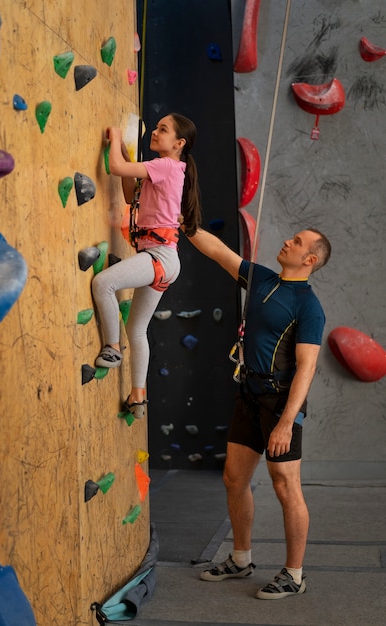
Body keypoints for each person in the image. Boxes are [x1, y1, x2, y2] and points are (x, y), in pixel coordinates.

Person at [186, 226, 331, 599]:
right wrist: (184, 221)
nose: (288, 241)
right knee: (234, 478)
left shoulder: (308, 306)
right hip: (248, 393)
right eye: (292, 237)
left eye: (297, 243)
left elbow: (307, 367)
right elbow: (217, 250)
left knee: (285, 485)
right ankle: (240, 559)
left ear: (310, 260)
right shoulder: (262, 279)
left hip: (281, 402)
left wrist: (285, 423)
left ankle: (294, 575)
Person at [92, 113, 202, 419]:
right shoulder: (166, 169)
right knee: (137, 328)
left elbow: (114, 167)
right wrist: (127, 157)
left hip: (158, 257)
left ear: (178, 143)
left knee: (103, 283)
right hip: (165, 260)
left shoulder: (166, 165)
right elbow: (130, 193)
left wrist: (115, 136)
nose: (154, 132)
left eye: (162, 130)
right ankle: (138, 395)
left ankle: (112, 348)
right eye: (156, 127)